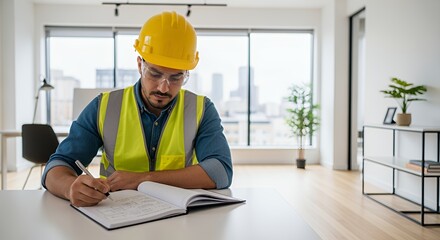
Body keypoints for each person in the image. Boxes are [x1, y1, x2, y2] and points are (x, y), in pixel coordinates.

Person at [42, 11, 233, 207]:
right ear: (140, 64)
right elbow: (57, 166)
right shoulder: (104, 107)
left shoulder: (201, 109)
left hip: (177, 217)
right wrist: (70, 188)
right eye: (155, 73)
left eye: (176, 77)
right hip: (114, 215)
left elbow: (220, 171)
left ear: (186, 73)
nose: (163, 87)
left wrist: (143, 179)